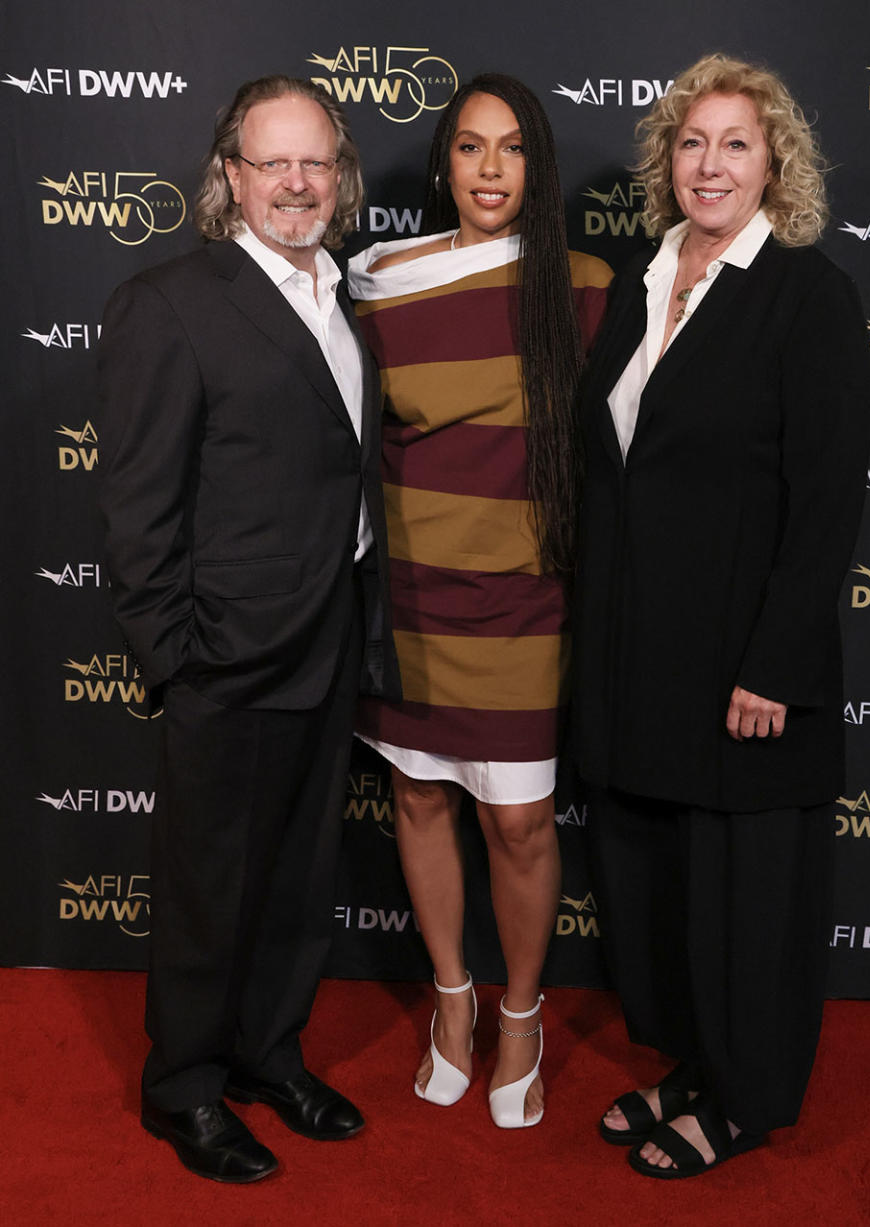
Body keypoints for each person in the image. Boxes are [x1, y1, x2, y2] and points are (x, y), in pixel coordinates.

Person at [572, 53, 870, 1177]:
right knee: (666, 891)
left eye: (736, 144)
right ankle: (698, 1066)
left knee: (747, 897)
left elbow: (828, 497)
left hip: (746, 666)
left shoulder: (809, 293)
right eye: (693, 143)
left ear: (774, 163)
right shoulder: (647, 279)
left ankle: (746, 1099)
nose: (710, 164)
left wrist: (778, 665)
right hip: (640, 658)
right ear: (668, 161)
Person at [97, 75, 400, 1183]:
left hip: (330, 643)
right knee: (206, 888)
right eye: (272, 163)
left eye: (314, 162)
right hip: (223, 655)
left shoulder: (344, 298)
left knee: (295, 877)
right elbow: (137, 507)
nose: (295, 183)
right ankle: (183, 1086)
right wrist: (174, 658)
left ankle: (271, 1054)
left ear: (340, 174)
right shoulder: (170, 301)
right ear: (230, 177)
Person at [348, 73, 611, 1128]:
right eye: (469, 147)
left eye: (510, 149)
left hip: (526, 605)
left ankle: (522, 1016)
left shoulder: (586, 286)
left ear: (536, 166)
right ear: (443, 164)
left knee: (518, 820)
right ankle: (452, 1004)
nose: (490, 170)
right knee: (417, 798)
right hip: (409, 591)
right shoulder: (380, 284)